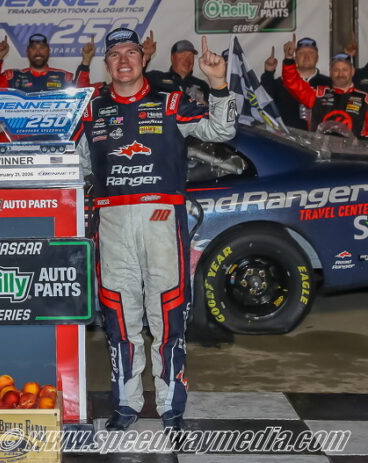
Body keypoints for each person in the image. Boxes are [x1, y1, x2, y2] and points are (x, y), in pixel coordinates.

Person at [77, 28, 236, 432]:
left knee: (167, 314)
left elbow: (222, 131)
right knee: (119, 316)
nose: (124, 60)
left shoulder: (170, 101)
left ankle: (170, 405)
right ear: (106, 63)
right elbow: (76, 166)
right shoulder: (92, 110)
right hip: (112, 223)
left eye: (131, 52)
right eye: (115, 54)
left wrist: (218, 84)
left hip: (161, 221)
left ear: (143, 58)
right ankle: (126, 402)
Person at [282, 36, 368, 139]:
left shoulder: (365, 99)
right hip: (317, 149)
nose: (340, 74)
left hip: (352, 149)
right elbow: (293, 83)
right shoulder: (318, 94)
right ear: (330, 72)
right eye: (336, 70)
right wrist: (288, 59)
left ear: (352, 71)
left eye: (344, 69)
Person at [261, 36, 331, 130]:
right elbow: (263, 103)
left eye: (311, 52)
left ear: (317, 57)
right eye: (301, 53)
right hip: (286, 138)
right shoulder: (281, 82)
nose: (306, 56)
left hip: (319, 138)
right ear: (295, 58)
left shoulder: (328, 83)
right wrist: (268, 73)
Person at [0, 33, 91, 91]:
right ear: (27, 51)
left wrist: (86, 60)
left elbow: (82, 96)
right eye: (33, 48)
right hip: (20, 127)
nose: (38, 52)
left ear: (49, 51)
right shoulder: (13, 77)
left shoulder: (64, 77)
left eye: (42, 48)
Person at [146, 39, 210, 105]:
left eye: (191, 55)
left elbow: (212, 108)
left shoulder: (202, 85)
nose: (187, 59)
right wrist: (146, 57)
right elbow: (138, 82)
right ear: (172, 58)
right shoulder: (155, 78)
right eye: (183, 54)